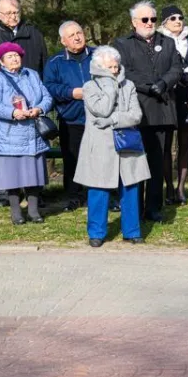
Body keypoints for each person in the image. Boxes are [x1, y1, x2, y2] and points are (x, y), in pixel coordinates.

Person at [0, 0, 48, 206]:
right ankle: (3, 194)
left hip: (32, 105)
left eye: (16, 12)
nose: (13, 16)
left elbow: (44, 67)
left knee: (32, 150)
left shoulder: (33, 34)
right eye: (8, 13)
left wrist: (43, 104)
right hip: (0, 106)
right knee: (3, 149)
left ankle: (34, 193)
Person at [112, 1, 184, 222]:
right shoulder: (122, 44)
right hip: (136, 109)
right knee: (134, 162)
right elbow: (125, 70)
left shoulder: (168, 42)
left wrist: (163, 83)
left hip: (162, 109)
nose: (150, 23)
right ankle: (133, 206)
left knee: (156, 161)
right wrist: (148, 86)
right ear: (135, 22)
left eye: (153, 19)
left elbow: (177, 68)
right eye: (145, 19)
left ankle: (153, 207)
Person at [73, 46, 150, 246]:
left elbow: (136, 115)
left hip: (127, 144)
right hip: (100, 146)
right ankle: (96, 233)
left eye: (116, 66)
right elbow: (101, 109)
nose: (114, 70)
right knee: (99, 190)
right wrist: (109, 85)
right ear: (99, 67)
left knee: (131, 187)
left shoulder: (129, 85)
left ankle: (132, 231)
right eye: (109, 67)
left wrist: (112, 120)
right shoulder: (90, 87)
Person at [0, 42, 53, 224]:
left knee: (33, 174)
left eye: (16, 55)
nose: (14, 59)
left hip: (32, 133)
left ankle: (33, 211)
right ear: (2, 62)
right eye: (9, 56)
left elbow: (47, 97)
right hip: (7, 135)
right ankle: (16, 212)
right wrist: (12, 113)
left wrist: (38, 109)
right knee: (11, 176)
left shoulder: (32, 75)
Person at [43, 21, 93, 211]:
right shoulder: (55, 62)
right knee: (72, 159)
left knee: (101, 158)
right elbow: (49, 86)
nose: (77, 37)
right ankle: (74, 196)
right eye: (71, 35)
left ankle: (104, 194)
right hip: (71, 117)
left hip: (99, 117)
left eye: (79, 32)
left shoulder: (98, 55)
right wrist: (72, 93)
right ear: (63, 41)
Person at [159, 4, 188, 205]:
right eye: (173, 18)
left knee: (185, 142)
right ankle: (168, 187)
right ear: (164, 22)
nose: (178, 21)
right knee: (166, 144)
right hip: (166, 96)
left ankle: (181, 188)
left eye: (180, 17)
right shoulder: (159, 41)